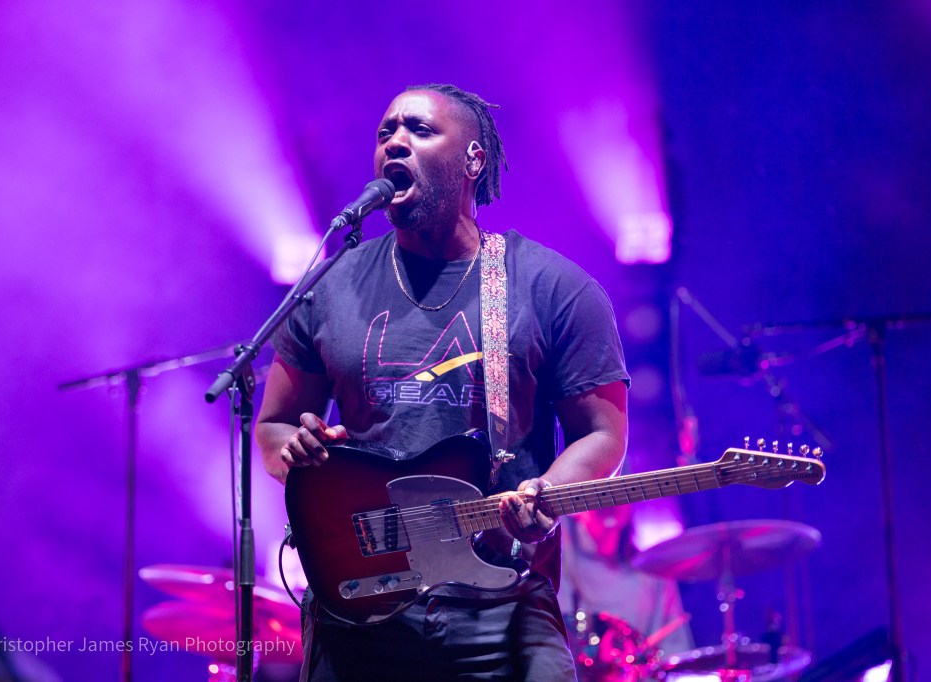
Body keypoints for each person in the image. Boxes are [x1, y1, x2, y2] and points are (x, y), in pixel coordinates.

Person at [256, 83, 630, 681]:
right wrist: (296, 451)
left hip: (502, 602)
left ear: (473, 160)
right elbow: (274, 426)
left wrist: (547, 493)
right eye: (386, 132)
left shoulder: (553, 288)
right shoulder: (330, 286)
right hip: (358, 606)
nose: (395, 142)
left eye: (420, 130)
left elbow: (603, 433)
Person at [559, 505, 694, 679]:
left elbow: (674, 655)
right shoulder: (552, 568)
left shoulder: (655, 575)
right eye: (599, 493)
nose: (607, 500)